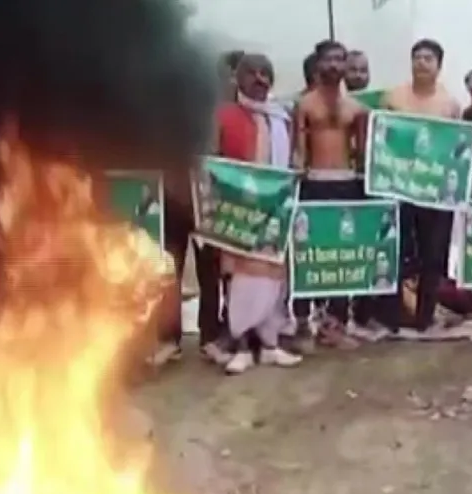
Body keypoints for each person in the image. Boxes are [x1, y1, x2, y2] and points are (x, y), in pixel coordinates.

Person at [152, 53, 243, 367]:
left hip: (205, 204)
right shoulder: (160, 115)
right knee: (169, 273)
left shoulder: (214, 115)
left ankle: (210, 339)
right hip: (171, 202)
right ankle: (169, 340)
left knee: (210, 274)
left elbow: (220, 158)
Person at [215, 53, 302, 374]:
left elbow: (293, 159)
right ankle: (241, 348)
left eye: (265, 73)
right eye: (251, 73)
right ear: (238, 79)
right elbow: (212, 160)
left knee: (273, 279)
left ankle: (269, 345)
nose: (260, 79)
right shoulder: (224, 116)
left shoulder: (283, 118)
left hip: (275, 212)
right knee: (239, 280)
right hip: (238, 212)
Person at [292, 40, 368, 350]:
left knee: (342, 253)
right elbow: (298, 149)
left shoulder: (357, 108)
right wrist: (297, 175)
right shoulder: (304, 104)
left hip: (346, 183)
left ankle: (335, 323)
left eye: (340, 59)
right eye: (329, 60)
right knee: (308, 251)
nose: (335, 65)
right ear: (318, 64)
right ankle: (301, 322)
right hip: (314, 182)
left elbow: (362, 153)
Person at [381, 39, 460, 334]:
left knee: (433, 254)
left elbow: (456, 149)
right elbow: (382, 139)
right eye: (417, 57)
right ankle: (393, 315)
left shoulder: (450, 104)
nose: (422, 63)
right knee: (396, 249)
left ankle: (425, 317)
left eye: (429, 58)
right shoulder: (393, 98)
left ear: (439, 65)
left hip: (434, 191)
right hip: (399, 187)